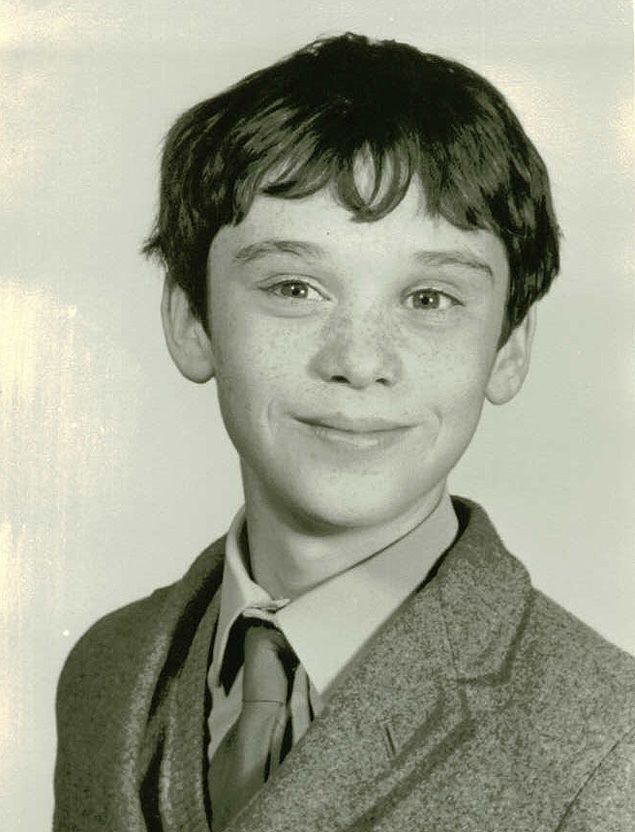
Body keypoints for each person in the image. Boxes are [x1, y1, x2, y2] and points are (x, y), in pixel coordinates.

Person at [53, 33, 635, 831]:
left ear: (507, 350)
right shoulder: (108, 669)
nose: (359, 362)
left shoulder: (611, 747)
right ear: (192, 320)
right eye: (294, 287)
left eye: (429, 299)